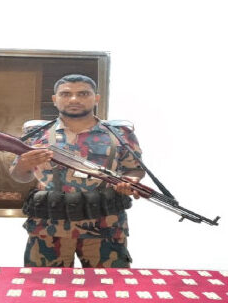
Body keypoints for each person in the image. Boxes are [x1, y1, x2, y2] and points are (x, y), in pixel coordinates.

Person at [9, 74, 145, 268]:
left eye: (83, 94)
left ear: (96, 98)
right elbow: (18, 176)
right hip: (48, 228)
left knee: (108, 284)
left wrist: (130, 181)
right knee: (46, 285)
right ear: (55, 99)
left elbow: (135, 169)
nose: (74, 99)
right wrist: (23, 164)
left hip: (105, 226)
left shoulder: (119, 133)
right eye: (66, 94)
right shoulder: (36, 133)